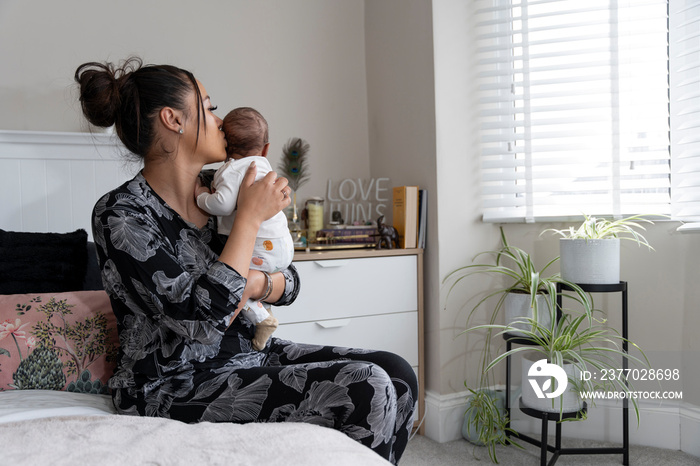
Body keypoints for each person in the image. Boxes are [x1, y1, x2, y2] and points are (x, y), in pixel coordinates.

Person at [75, 57, 417, 465]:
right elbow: (199, 322)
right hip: (172, 382)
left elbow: (288, 282)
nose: (220, 119)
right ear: (173, 119)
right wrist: (250, 219)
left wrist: (257, 284)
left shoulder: (227, 188)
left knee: (396, 373)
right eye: (208, 105)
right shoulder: (122, 214)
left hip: (249, 353)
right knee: (367, 387)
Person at [196, 107, 292, 351]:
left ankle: (262, 319)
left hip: (261, 249)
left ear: (226, 146)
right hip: (282, 246)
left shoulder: (229, 170)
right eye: (208, 108)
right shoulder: (264, 166)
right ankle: (263, 318)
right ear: (266, 148)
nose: (215, 120)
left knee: (240, 282)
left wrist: (202, 198)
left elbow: (223, 204)